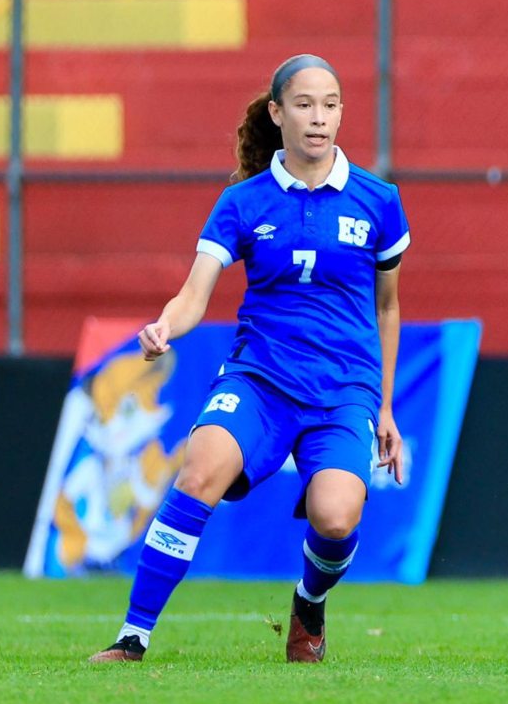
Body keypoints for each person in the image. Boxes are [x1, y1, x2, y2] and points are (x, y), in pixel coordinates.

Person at [89, 54, 410, 664]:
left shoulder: (380, 200)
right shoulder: (243, 202)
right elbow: (193, 294)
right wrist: (165, 327)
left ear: (342, 113)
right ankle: (133, 637)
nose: (319, 118)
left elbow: (388, 308)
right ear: (277, 112)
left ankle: (308, 604)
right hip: (259, 379)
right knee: (198, 471)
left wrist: (386, 406)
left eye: (331, 105)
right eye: (305, 105)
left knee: (336, 518)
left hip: (343, 390)